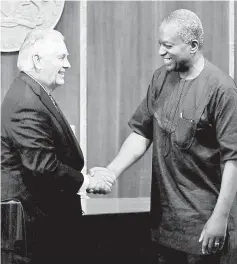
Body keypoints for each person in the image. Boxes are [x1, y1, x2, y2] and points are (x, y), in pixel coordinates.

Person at [91, 9, 237, 264]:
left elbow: (233, 160)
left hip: (204, 228)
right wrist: (111, 172)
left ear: (193, 46)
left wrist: (220, 218)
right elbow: (141, 133)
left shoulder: (222, 90)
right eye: (160, 44)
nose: (160, 51)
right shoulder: (160, 79)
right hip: (165, 226)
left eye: (168, 45)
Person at [1, 29, 116, 264]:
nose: (68, 64)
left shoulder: (33, 93)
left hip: (40, 228)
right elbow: (43, 166)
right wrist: (86, 181)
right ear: (37, 60)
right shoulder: (26, 100)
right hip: (31, 234)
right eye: (61, 58)